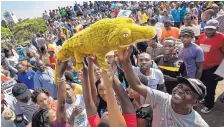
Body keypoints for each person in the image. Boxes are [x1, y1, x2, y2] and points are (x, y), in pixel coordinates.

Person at [117, 45, 209, 127]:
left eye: (188, 91)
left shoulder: (197, 124)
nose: (180, 91)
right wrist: (126, 60)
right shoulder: (162, 99)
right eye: (180, 86)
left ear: (196, 102)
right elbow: (136, 85)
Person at [197, 19, 224, 113]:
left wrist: (221, 72)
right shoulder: (202, 36)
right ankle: (206, 98)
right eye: (207, 29)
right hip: (202, 67)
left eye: (211, 29)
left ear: (217, 28)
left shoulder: (222, 37)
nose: (208, 31)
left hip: (214, 67)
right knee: (203, 85)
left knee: (211, 87)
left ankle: (209, 105)